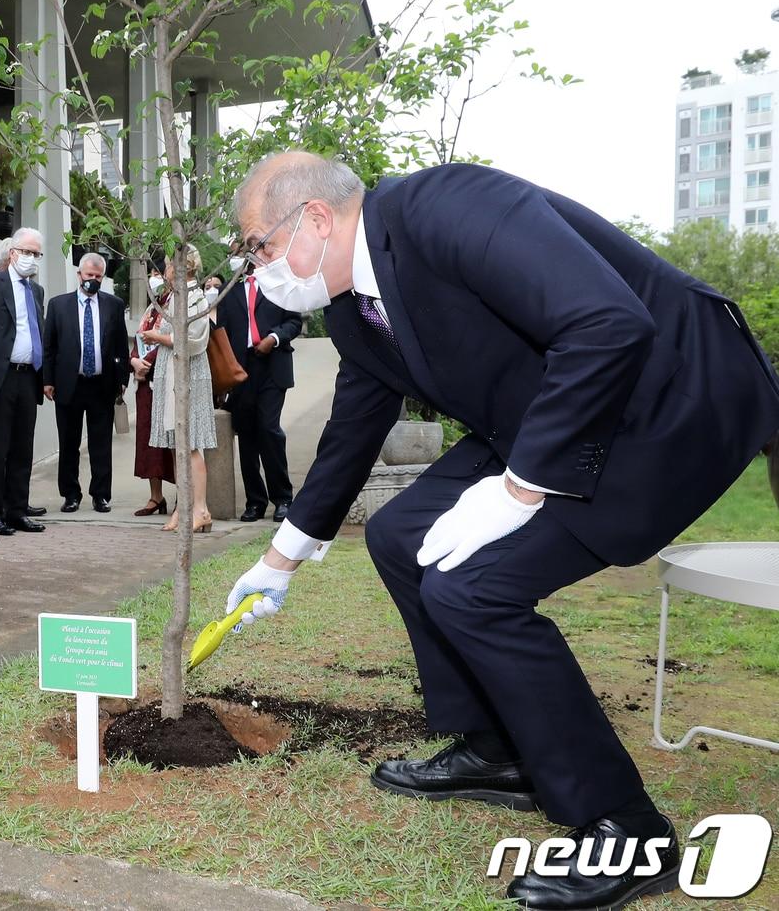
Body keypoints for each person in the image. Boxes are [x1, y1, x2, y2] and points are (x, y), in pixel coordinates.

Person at [223, 152, 779, 911]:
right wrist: (282, 555)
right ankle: (500, 746)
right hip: (548, 408)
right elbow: (354, 425)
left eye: (258, 246)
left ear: (315, 218)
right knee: (396, 538)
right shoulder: (354, 305)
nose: (257, 270)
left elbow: (608, 323)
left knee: (472, 589)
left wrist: (520, 490)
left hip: (666, 398)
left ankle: (627, 829)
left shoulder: (449, 205)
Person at [43, 252, 129, 513]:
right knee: (68, 443)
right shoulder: (58, 305)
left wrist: (122, 378)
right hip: (68, 384)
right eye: (89, 275)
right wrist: (47, 380)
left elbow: (121, 346)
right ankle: (70, 494)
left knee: (101, 442)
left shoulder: (113, 305)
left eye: (98, 276)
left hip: (102, 384)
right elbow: (49, 346)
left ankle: (101, 494)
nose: (93, 280)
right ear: (79, 275)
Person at [216, 269, 301, 522]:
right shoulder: (228, 290)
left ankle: (283, 498)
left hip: (273, 367)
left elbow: (294, 322)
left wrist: (274, 338)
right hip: (240, 371)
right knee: (247, 436)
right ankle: (255, 501)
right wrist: (222, 378)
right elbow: (222, 332)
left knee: (268, 429)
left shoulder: (279, 282)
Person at [0, 228, 47, 536]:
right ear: (13, 253)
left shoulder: (37, 291)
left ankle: (17, 510)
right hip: (0, 377)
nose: (32, 259)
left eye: (37, 254)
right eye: (28, 252)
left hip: (28, 376)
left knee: (23, 448)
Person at [143, 247, 215, 533]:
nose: (166, 269)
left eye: (169, 264)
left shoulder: (195, 297)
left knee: (192, 443)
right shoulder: (174, 296)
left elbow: (194, 339)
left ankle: (201, 509)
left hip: (188, 374)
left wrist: (158, 336)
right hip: (170, 370)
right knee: (176, 445)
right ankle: (182, 507)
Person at [130, 260, 175, 516]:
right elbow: (139, 339)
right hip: (146, 382)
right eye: (154, 273)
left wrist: (149, 361)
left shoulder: (177, 303)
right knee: (148, 439)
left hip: (168, 378)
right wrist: (135, 361)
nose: (157, 277)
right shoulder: (152, 307)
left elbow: (173, 339)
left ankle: (184, 497)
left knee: (173, 440)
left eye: (161, 272)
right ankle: (156, 497)